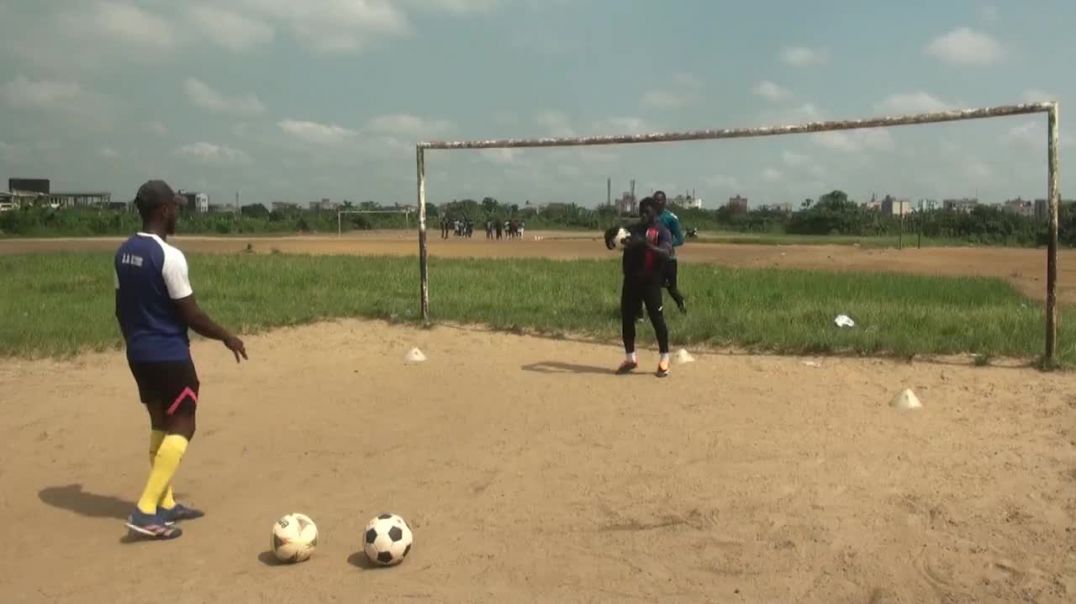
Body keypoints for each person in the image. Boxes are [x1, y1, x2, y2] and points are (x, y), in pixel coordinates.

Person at [115, 180, 247, 540]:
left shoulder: (123, 252)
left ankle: (166, 503)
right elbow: (191, 314)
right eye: (174, 207)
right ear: (162, 211)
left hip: (139, 353)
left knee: (160, 424)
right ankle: (145, 511)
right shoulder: (168, 256)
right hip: (169, 354)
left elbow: (120, 309)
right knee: (184, 423)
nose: (177, 212)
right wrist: (226, 336)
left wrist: (136, 345)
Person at [613, 197, 673, 377]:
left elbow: (666, 252)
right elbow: (617, 241)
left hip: (651, 281)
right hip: (631, 280)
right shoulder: (633, 229)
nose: (643, 214)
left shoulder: (661, 231)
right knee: (627, 318)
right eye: (641, 211)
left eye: (647, 211)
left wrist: (646, 245)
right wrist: (610, 237)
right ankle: (630, 358)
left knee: (657, 319)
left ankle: (664, 359)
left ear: (656, 211)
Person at [652, 191, 687, 313]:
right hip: (653, 258)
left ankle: (681, 304)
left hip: (668, 260)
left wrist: (669, 245)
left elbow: (680, 239)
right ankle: (655, 312)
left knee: (671, 288)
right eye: (655, 201)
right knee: (652, 286)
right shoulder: (649, 216)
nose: (658, 203)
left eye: (660, 201)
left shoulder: (671, 218)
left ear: (665, 202)